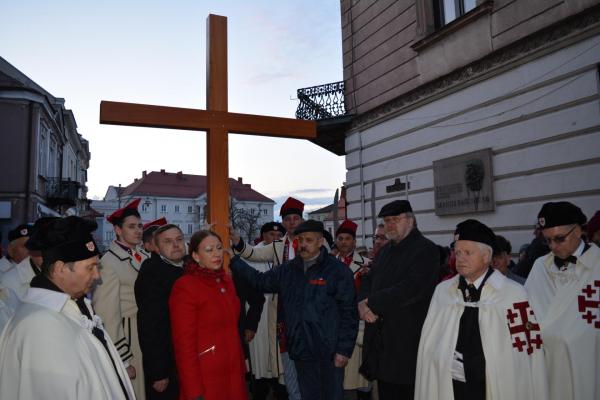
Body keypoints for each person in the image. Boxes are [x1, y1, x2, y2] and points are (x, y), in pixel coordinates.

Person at [0, 216, 135, 400]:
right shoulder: (41, 327)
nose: (97, 276)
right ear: (60, 268)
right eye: (90, 268)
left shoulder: (71, 306)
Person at [415, 219, 548, 400]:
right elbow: (429, 346)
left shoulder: (512, 294)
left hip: (493, 386)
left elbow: (526, 354)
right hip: (450, 385)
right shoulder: (443, 292)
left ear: (486, 257)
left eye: (467, 252)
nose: (460, 258)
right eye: (457, 251)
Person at [231, 219, 358, 400]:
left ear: (321, 241)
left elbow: (349, 314)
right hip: (301, 352)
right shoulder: (288, 270)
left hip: (329, 354)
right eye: (300, 240)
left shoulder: (337, 271)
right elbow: (260, 281)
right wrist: (234, 261)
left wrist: (344, 350)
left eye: (309, 240)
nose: (303, 245)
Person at [358, 200, 439, 400]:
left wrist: (371, 303)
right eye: (386, 221)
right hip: (382, 343)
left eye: (396, 219)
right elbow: (369, 278)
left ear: (410, 220)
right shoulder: (385, 251)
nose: (390, 225)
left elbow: (411, 289)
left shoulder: (426, 250)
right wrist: (362, 302)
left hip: (408, 343)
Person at [231, 196, 305, 400]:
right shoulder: (278, 245)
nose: (291, 222)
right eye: (288, 219)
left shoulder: (312, 241)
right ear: (283, 222)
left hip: (308, 307)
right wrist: (237, 241)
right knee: (287, 356)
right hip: (283, 308)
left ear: (301, 221)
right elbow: (254, 254)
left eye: (295, 218)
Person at [526, 201, 599, 400]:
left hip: (584, 367)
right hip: (544, 367)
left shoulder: (598, 265)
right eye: (547, 241)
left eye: (559, 239)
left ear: (578, 231)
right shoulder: (540, 266)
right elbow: (524, 313)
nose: (553, 247)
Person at [170, 230, 248, 400]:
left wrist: (242, 364)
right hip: (207, 379)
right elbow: (184, 344)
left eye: (219, 248)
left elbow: (233, 329)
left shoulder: (226, 280)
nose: (216, 253)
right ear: (196, 256)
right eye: (209, 249)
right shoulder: (185, 286)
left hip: (233, 375)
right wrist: (193, 389)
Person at [93, 198, 148, 400]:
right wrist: (123, 358)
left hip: (144, 332)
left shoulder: (142, 254)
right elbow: (106, 314)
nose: (138, 231)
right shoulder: (108, 263)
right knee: (134, 392)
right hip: (128, 335)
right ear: (117, 230)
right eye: (131, 227)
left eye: (140, 226)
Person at [135, 224, 185, 400]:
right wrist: (158, 372)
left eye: (179, 240)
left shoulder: (186, 267)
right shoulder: (152, 272)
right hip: (166, 364)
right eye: (168, 241)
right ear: (156, 247)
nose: (176, 245)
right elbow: (149, 326)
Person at [245, 222, 288, 400]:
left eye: (279, 236)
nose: (275, 239)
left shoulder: (286, 257)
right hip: (259, 317)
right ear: (263, 236)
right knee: (260, 357)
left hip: (279, 315)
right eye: (271, 235)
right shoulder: (251, 257)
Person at [334, 219, 372, 399]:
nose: (343, 242)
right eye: (340, 238)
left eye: (347, 238)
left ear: (354, 242)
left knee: (359, 376)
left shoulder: (366, 264)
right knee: (339, 376)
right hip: (335, 324)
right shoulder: (329, 263)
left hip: (358, 324)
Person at [1, 219, 54, 300]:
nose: (30, 250)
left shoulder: (41, 269)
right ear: (11, 250)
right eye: (25, 246)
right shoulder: (6, 279)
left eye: (33, 245)